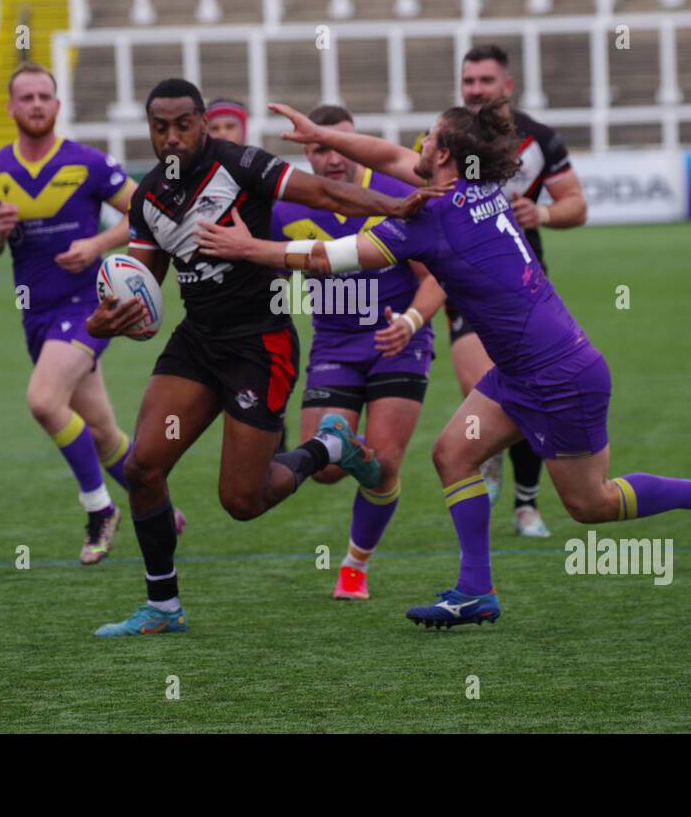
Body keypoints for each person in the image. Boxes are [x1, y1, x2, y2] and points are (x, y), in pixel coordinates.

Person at [197, 98, 691, 629]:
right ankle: (476, 592)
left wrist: (249, 249)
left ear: (441, 155)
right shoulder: (479, 183)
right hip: (523, 369)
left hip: (559, 374)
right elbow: (390, 157)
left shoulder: (430, 216)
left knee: (591, 504)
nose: (414, 143)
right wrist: (321, 135)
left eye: (428, 136)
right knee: (452, 455)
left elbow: (328, 257)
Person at [84, 79, 437, 638]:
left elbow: (326, 195)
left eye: (183, 124)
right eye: (160, 127)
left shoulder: (245, 164)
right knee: (142, 468)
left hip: (260, 345)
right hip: (197, 343)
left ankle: (329, 445)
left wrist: (395, 205)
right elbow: (142, 295)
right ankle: (163, 606)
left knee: (243, 501)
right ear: (148, 130)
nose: (172, 137)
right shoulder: (148, 196)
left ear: (202, 122)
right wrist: (105, 320)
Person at [0, 62, 145, 565]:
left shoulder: (88, 163)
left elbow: (143, 213)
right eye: (27, 98)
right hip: (36, 314)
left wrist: (96, 245)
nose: (37, 105)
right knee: (103, 432)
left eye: (45, 96)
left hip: (89, 307)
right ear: (11, 108)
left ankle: (99, 509)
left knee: (45, 402)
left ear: (58, 105)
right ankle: (160, 508)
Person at [270, 104, 446, 600]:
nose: (332, 157)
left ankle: (354, 566)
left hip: (398, 339)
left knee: (385, 463)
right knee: (323, 471)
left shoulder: (395, 192)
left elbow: (434, 279)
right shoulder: (283, 208)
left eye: (341, 143)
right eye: (319, 148)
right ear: (304, 150)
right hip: (334, 344)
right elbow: (270, 281)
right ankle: (347, 445)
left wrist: (411, 322)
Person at [441, 44, 589, 537]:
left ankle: (527, 504)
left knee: (528, 388)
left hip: (525, 287)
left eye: (485, 81)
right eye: (469, 81)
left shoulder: (540, 139)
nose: (476, 90)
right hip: (464, 285)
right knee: (479, 383)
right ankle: (486, 457)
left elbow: (576, 206)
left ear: (507, 85)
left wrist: (541, 213)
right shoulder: (446, 137)